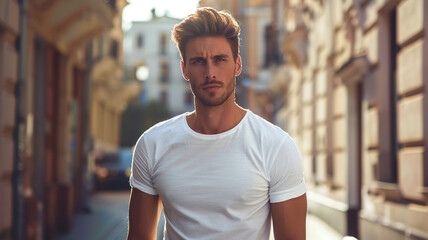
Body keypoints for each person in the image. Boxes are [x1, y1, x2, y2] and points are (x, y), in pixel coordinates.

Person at [127, 7, 307, 240]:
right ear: (184, 69)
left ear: (237, 65)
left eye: (220, 59)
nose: (210, 72)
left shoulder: (275, 145)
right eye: (199, 61)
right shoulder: (152, 144)